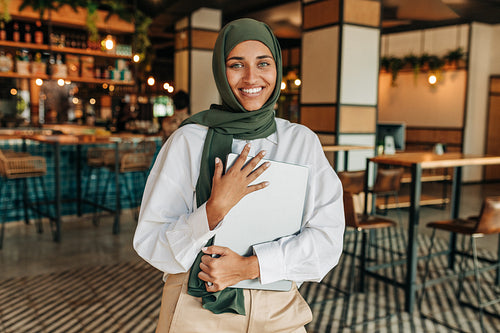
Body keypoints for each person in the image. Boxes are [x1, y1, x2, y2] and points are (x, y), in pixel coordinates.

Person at [133, 18, 344, 332]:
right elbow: (151, 243)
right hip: (196, 309)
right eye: (236, 65)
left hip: (276, 310)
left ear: (277, 69)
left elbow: (327, 239)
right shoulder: (189, 141)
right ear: (221, 69)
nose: (251, 77)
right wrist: (212, 211)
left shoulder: (300, 142)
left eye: (263, 63)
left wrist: (250, 266)